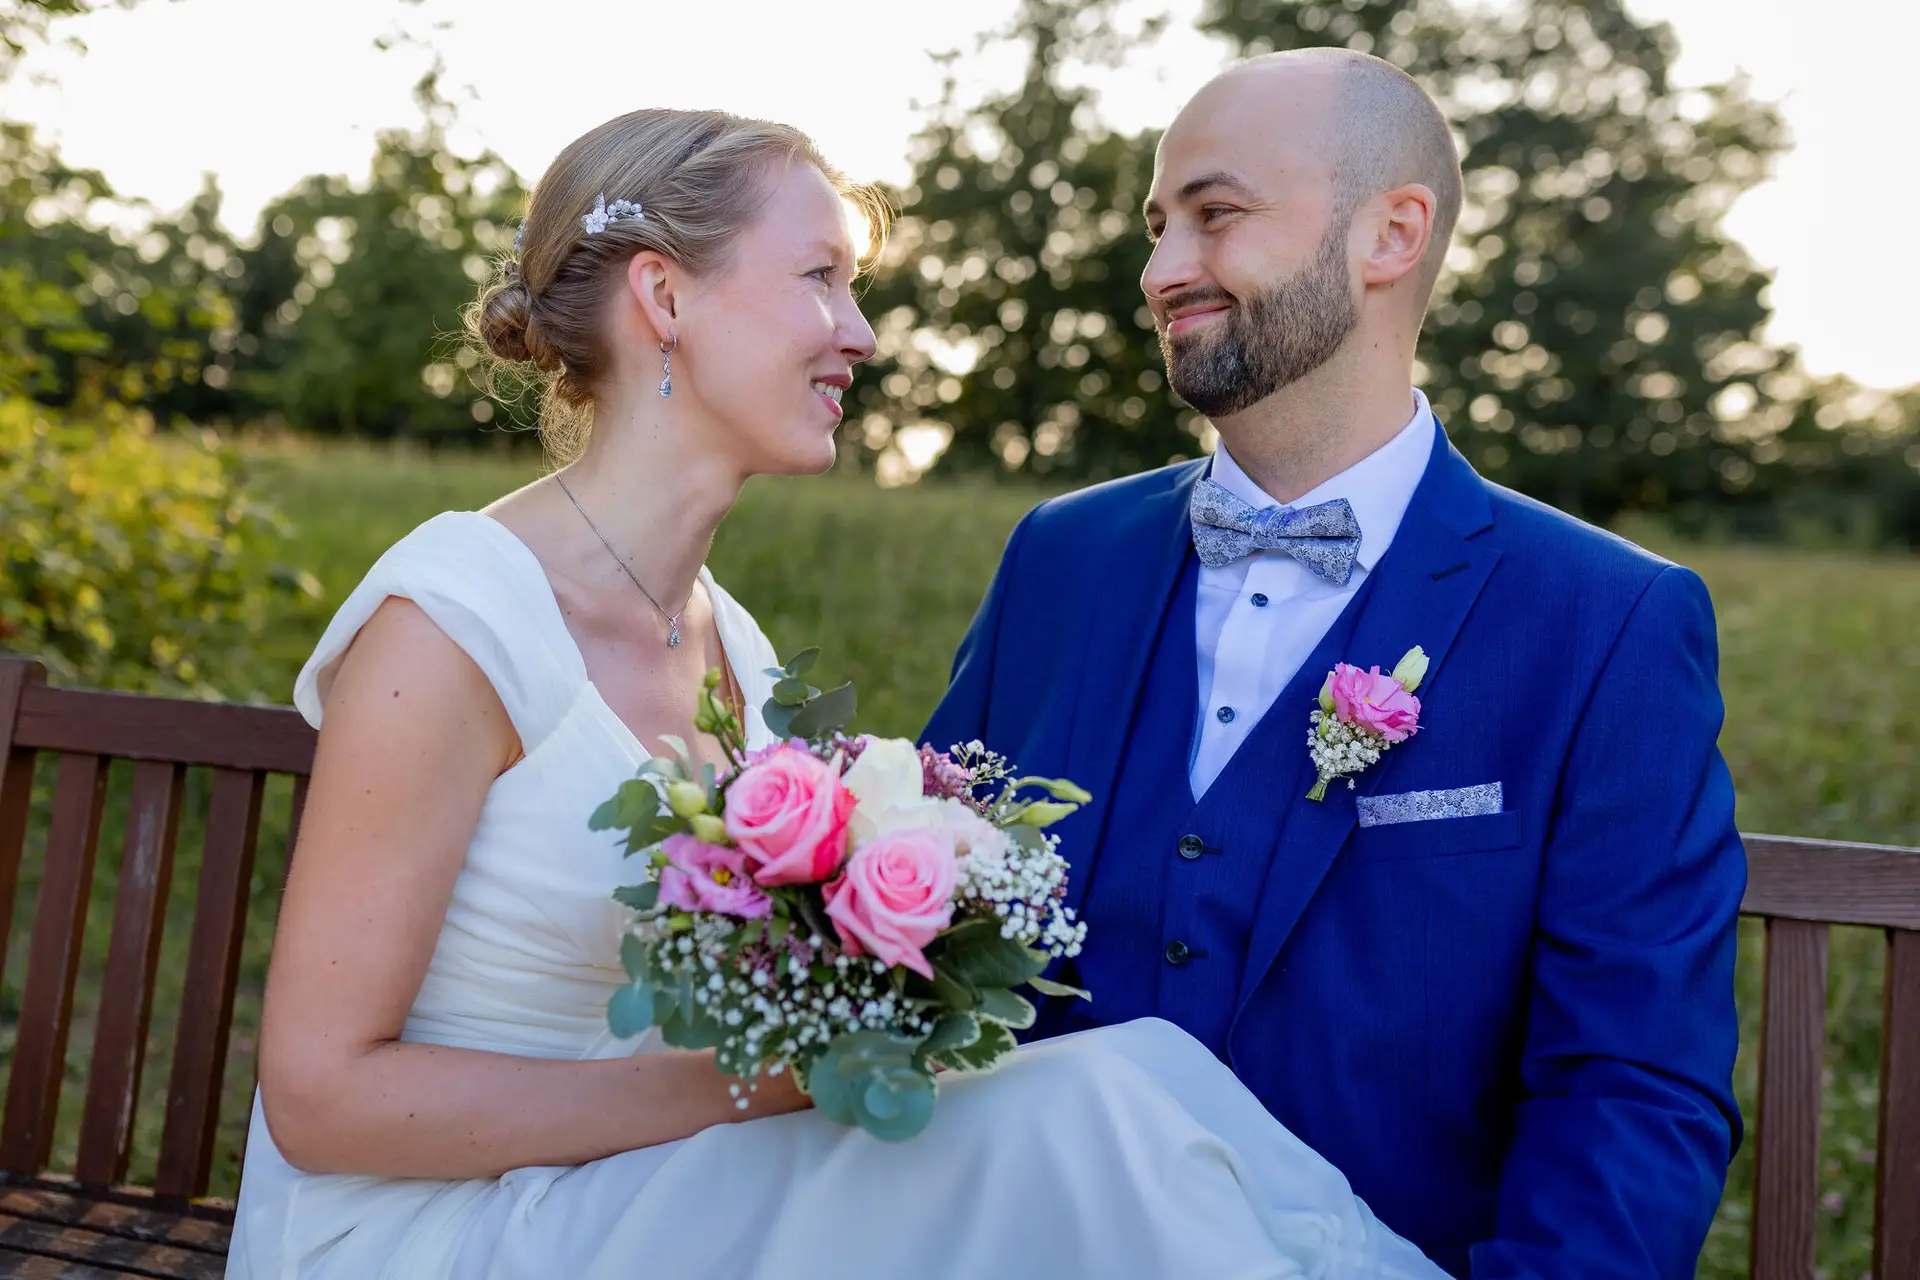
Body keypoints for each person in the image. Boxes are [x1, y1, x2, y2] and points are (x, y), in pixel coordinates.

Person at [228, 107, 1447, 1280]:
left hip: (637, 1193)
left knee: (1147, 1078)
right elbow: (323, 1099)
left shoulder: (736, 651)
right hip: (439, 1235)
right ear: (664, 298)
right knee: (1080, 1121)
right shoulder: (456, 622)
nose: (859, 333)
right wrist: (763, 1085)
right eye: (821, 278)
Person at [924, 49, 1746, 1278]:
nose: (1159, 270)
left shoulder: (1605, 619)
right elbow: (917, 936)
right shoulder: (1058, 558)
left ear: (1390, 235)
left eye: (1215, 214)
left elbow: (1631, 1090)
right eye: (1156, 227)